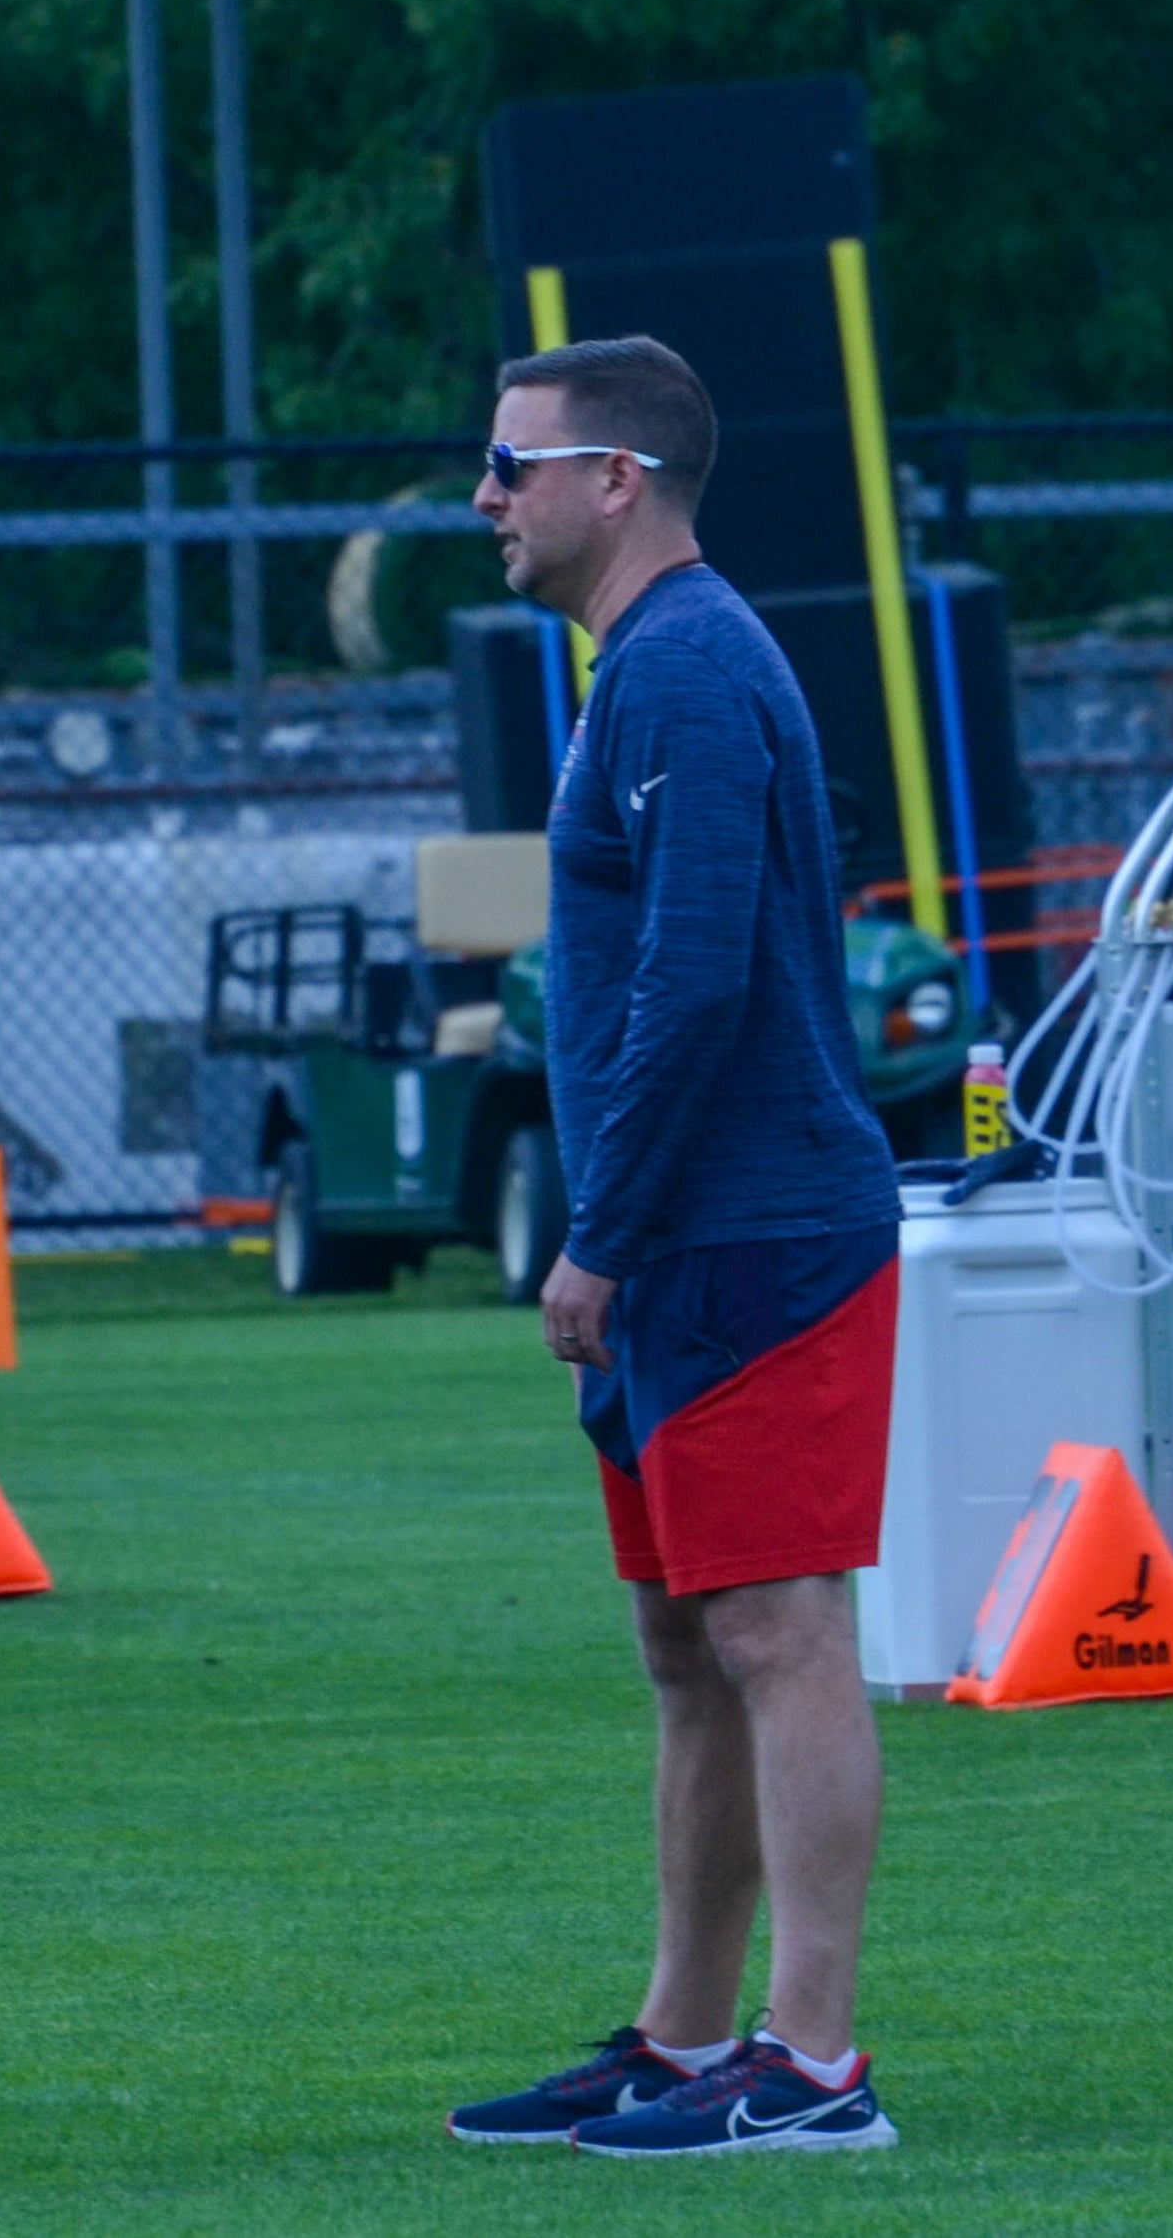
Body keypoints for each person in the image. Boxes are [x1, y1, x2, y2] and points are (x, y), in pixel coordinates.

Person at [444, 337, 905, 2157]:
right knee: (679, 1640)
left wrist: (602, 1234)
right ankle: (684, 2029)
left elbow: (699, 977)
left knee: (779, 1629)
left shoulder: (692, 665)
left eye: (509, 462)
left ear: (613, 477)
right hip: (680, 1244)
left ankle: (811, 2064)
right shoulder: (630, 667)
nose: (484, 495)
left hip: (750, 1236)